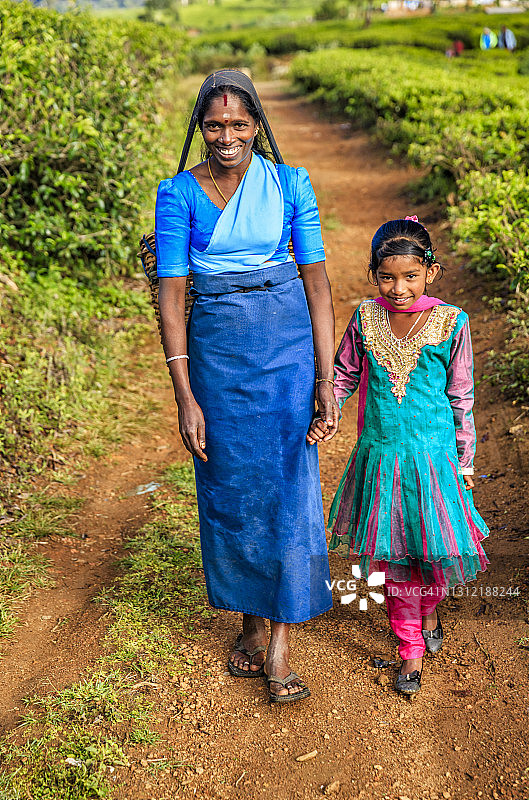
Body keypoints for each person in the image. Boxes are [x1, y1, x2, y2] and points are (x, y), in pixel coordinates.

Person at [155, 70, 339, 704]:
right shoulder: (178, 194)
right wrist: (185, 394)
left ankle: (279, 642)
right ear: (199, 129)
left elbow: (317, 283)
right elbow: (172, 292)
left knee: (289, 484)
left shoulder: (290, 184)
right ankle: (249, 620)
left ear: (258, 125)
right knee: (232, 484)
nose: (226, 136)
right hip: (218, 353)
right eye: (214, 125)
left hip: (285, 346)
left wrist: (325, 376)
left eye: (238, 124)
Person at [307, 216, 489, 696]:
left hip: (433, 461)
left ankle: (429, 610)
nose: (399, 287)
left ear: (430, 271)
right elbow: (344, 372)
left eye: (410, 276)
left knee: (434, 549)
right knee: (395, 558)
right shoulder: (366, 318)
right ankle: (410, 649)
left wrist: (464, 461)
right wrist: (329, 410)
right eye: (387, 277)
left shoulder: (453, 322)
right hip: (382, 458)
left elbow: (461, 395)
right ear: (373, 275)